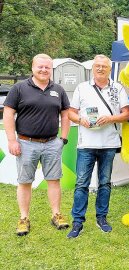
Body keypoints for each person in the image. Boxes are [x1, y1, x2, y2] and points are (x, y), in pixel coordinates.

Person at [3, 53, 70, 236]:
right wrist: (11, 140)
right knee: (25, 181)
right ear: (32, 68)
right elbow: (8, 113)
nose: (43, 70)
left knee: (54, 180)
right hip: (26, 143)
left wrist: (63, 138)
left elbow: (65, 114)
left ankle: (56, 214)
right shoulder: (19, 88)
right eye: (40, 66)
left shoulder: (58, 89)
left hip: (51, 143)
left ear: (51, 69)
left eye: (47, 67)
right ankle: (24, 218)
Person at [67, 55, 129, 238]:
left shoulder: (117, 88)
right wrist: (81, 120)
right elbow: (71, 113)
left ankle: (102, 218)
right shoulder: (82, 88)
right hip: (86, 144)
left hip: (109, 144)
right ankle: (77, 221)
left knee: (105, 183)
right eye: (98, 66)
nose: (101, 69)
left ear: (110, 69)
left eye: (104, 66)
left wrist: (111, 118)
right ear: (92, 68)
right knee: (81, 184)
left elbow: (126, 114)